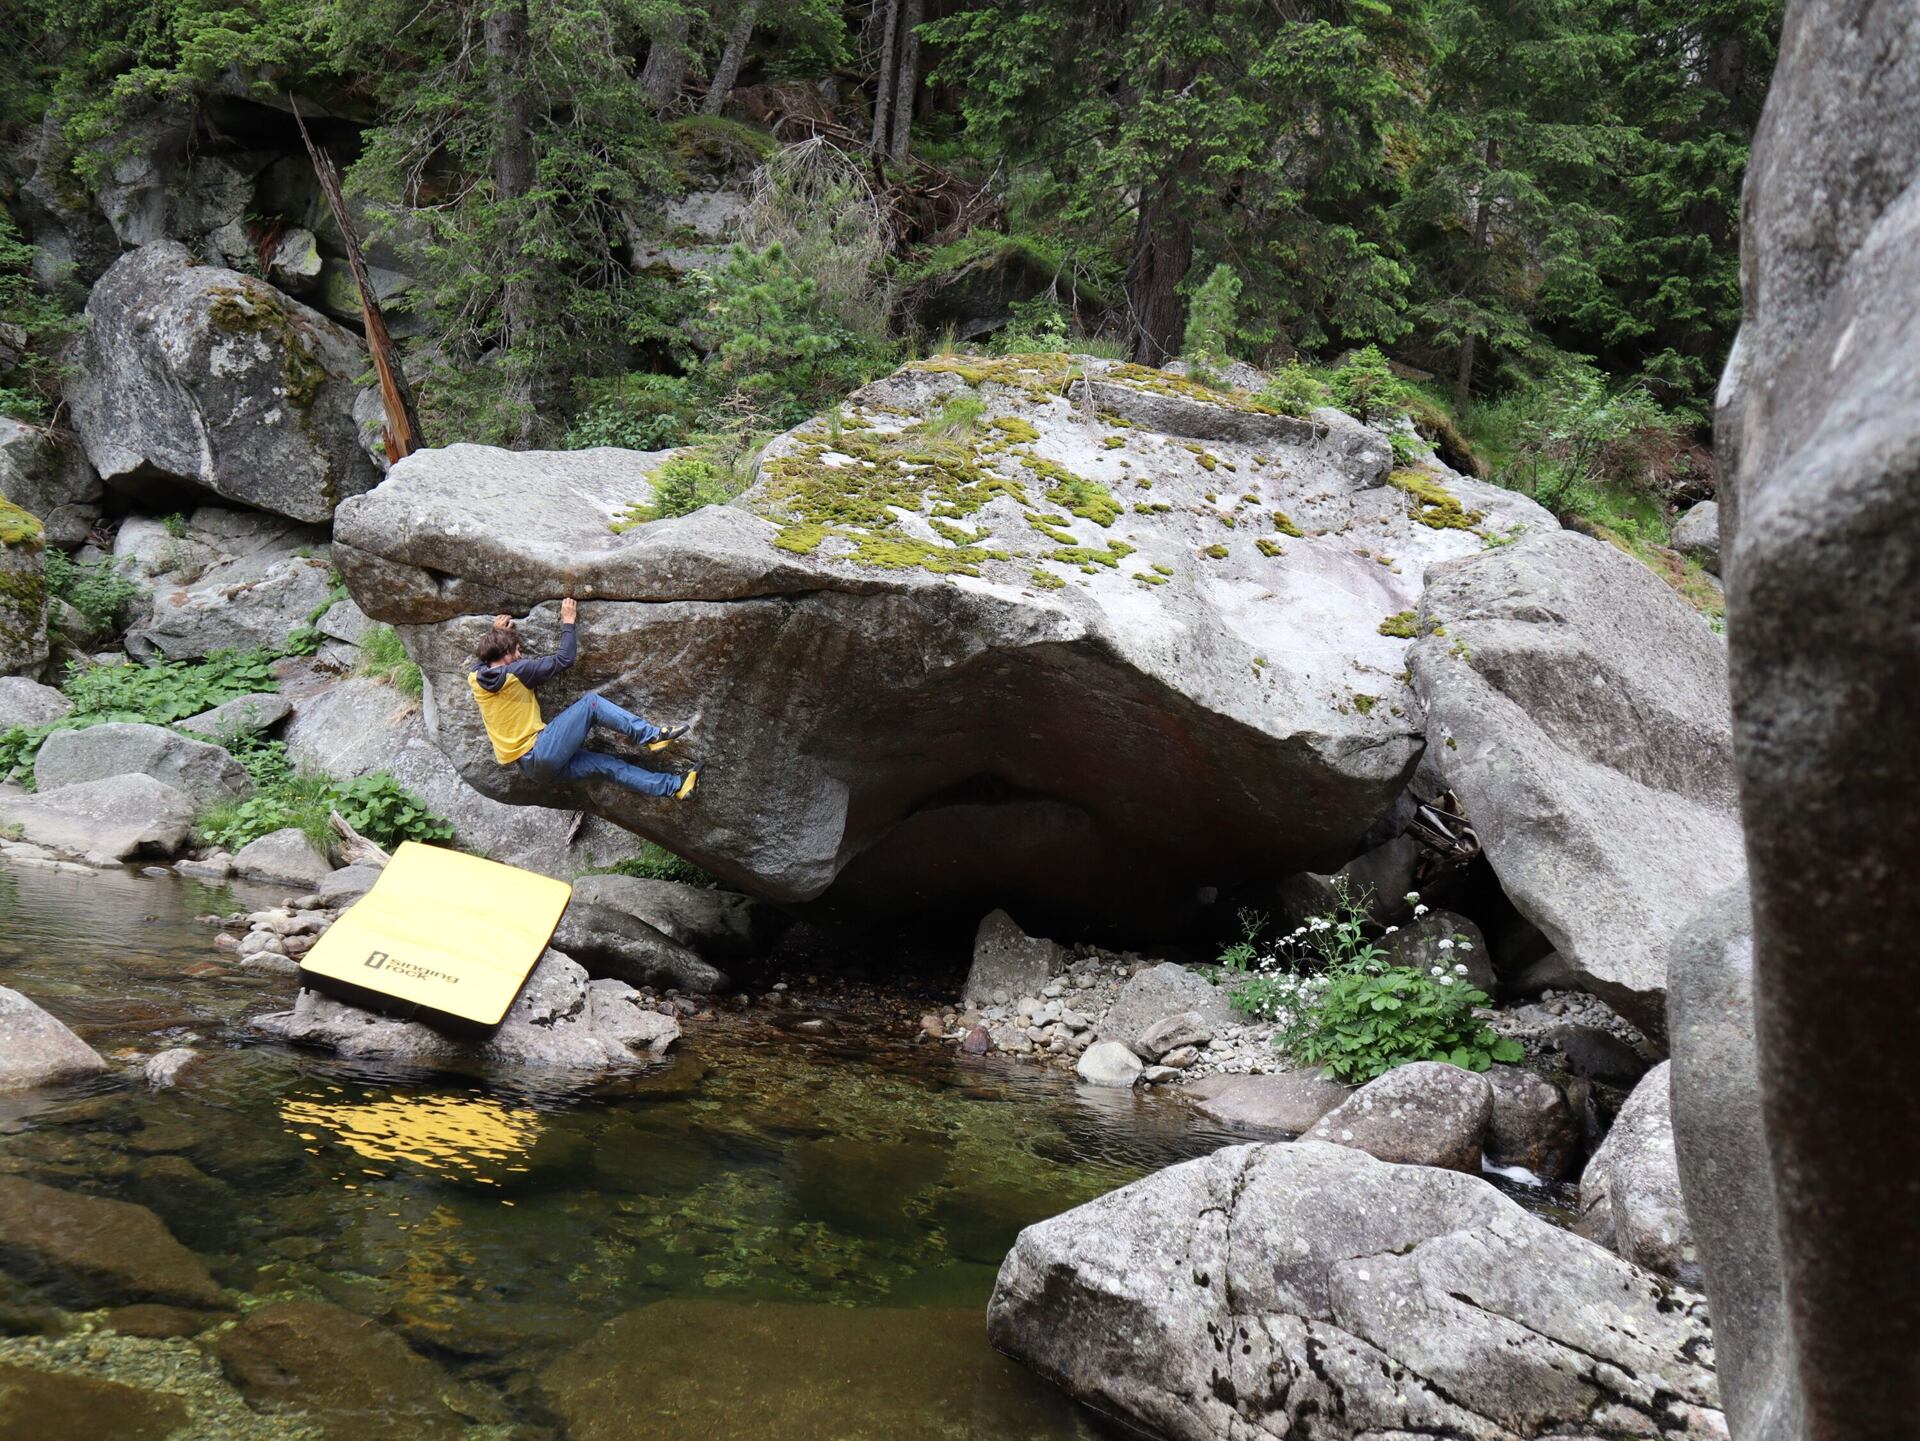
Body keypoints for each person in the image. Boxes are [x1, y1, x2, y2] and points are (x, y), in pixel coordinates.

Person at [467, 598, 696, 800]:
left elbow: (486, 658)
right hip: (541, 750)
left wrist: (496, 634)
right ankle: (651, 735)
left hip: (534, 770)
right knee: (591, 704)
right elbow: (564, 659)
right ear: (506, 652)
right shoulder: (518, 671)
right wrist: (568, 621)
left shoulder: (475, 678)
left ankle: (676, 786)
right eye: (517, 650)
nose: (520, 655)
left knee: (608, 766)